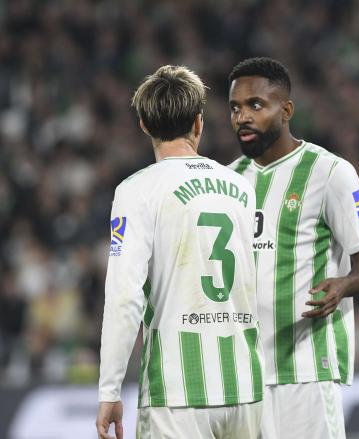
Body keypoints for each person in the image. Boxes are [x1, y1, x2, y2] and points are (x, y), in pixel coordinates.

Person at [96, 65, 263, 439]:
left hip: (178, 391)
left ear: (143, 124)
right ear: (199, 123)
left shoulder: (136, 191)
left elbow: (125, 296)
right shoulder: (241, 188)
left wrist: (110, 388)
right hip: (245, 385)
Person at [226, 57, 359, 439]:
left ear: (287, 110)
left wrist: (343, 285)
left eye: (255, 105)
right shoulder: (229, 179)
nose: (242, 116)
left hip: (305, 368)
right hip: (244, 373)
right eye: (235, 108)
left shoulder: (329, 172)